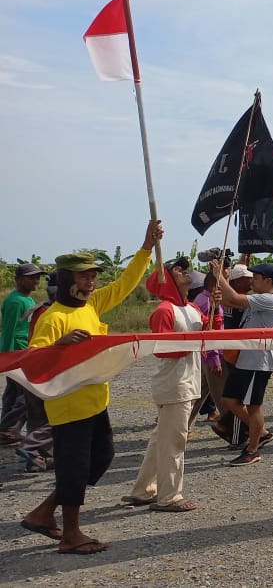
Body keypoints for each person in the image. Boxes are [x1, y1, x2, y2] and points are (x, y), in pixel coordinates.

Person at [20, 221, 162, 555]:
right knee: (73, 466)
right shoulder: (53, 318)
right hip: (69, 406)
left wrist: (144, 248)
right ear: (67, 278)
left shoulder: (92, 305)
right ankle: (70, 534)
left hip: (96, 401)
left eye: (93, 276)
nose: (91, 281)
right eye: (84, 276)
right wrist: (60, 345)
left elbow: (126, 283)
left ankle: (43, 513)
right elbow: (34, 360)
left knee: (101, 457)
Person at [125, 259, 210, 513]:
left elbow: (210, 330)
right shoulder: (164, 310)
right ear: (165, 280)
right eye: (177, 269)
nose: (185, 271)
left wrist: (215, 307)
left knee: (160, 439)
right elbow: (163, 350)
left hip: (187, 380)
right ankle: (169, 496)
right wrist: (193, 342)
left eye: (185, 268)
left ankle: (143, 490)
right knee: (174, 441)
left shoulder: (193, 308)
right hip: (174, 383)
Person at [212, 261, 273, 466]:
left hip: (258, 361)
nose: (252, 281)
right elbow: (231, 302)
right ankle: (260, 432)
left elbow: (233, 297)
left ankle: (253, 449)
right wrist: (219, 291)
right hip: (246, 359)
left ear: (268, 281)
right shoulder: (259, 299)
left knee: (253, 406)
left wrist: (221, 276)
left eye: (256, 278)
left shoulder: (270, 299)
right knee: (229, 400)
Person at [14, 273, 57, 472]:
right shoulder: (55, 313)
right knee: (59, 416)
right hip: (47, 370)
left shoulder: (38, 308)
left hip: (30, 367)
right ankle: (31, 447)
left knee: (36, 416)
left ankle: (37, 459)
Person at [1, 263, 44, 446]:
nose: (36, 280)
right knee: (25, 394)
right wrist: (7, 357)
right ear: (18, 279)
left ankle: (7, 431)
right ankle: (8, 428)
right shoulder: (15, 301)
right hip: (18, 352)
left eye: (37, 277)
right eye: (31, 277)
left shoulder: (27, 300)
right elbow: (9, 330)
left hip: (24, 350)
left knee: (14, 392)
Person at [193, 272, 225, 423]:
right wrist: (215, 359)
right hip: (210, 355)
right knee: (222, 398)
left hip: (205, 354)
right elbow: (210, 332)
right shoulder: (208, 303)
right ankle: (233, 432)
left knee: (199, 394)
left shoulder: (201, 299)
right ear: (214, 286)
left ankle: (182, 426)